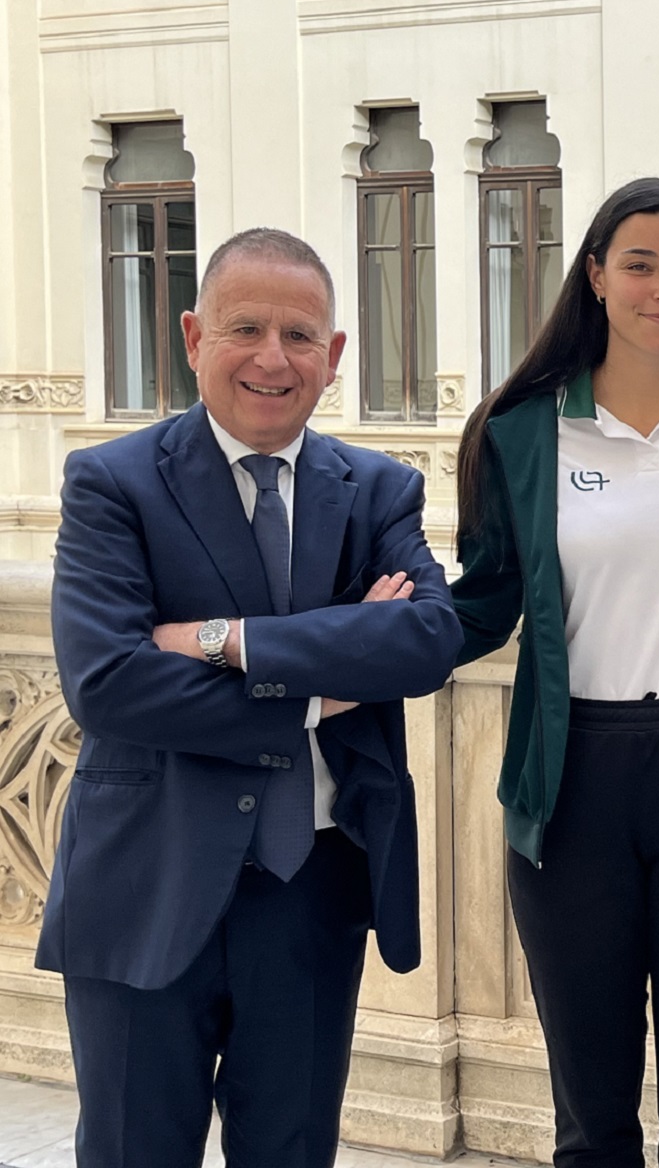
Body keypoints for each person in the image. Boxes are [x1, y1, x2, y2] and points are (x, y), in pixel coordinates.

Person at [40, 228, 462, 1166]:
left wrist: (225, 642)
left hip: (310, 888)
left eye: (300, 335)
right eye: (246, 329)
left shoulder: (377, 490)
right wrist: (318, 692)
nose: (274, 358)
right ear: (194, 337)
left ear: (333, 355)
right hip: (146, 878)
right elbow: (109, 684)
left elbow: (429, 639)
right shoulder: (111, 482)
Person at [451, 177, 659, 1167]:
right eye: (641, 264)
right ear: (597, 275)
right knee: (592, 1119)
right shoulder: (522, 429)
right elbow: (483, 601)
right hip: (573, 785)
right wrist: (353, 640)